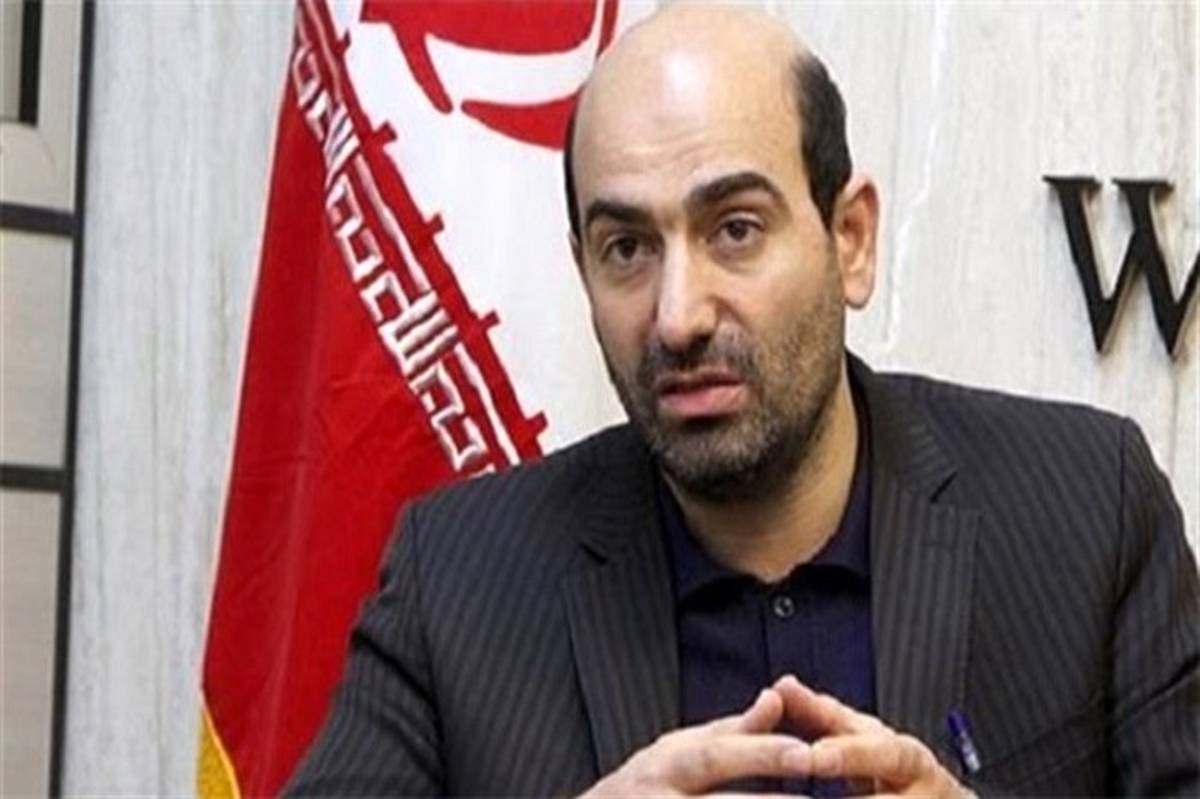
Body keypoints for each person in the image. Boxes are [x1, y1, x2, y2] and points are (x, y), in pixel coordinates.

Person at [287, 5, 1199, 797]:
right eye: (627, 248)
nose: (678, 316)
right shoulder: (456, 580)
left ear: (850, 238)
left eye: (735, 229)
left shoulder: (1087, 511)